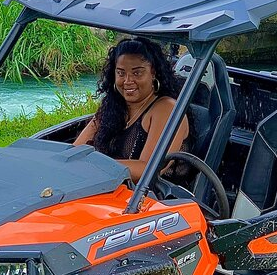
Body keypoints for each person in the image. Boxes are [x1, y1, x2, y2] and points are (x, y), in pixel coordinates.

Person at [74, 37, 190, 183]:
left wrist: (92, 165)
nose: (128, 81)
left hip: (156, 199)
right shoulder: (111, 106)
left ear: (153, 72)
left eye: (137, 73)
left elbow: (149, 169)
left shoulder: (167, 108)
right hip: (108, 188)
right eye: (121, 73)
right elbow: (75, 150)